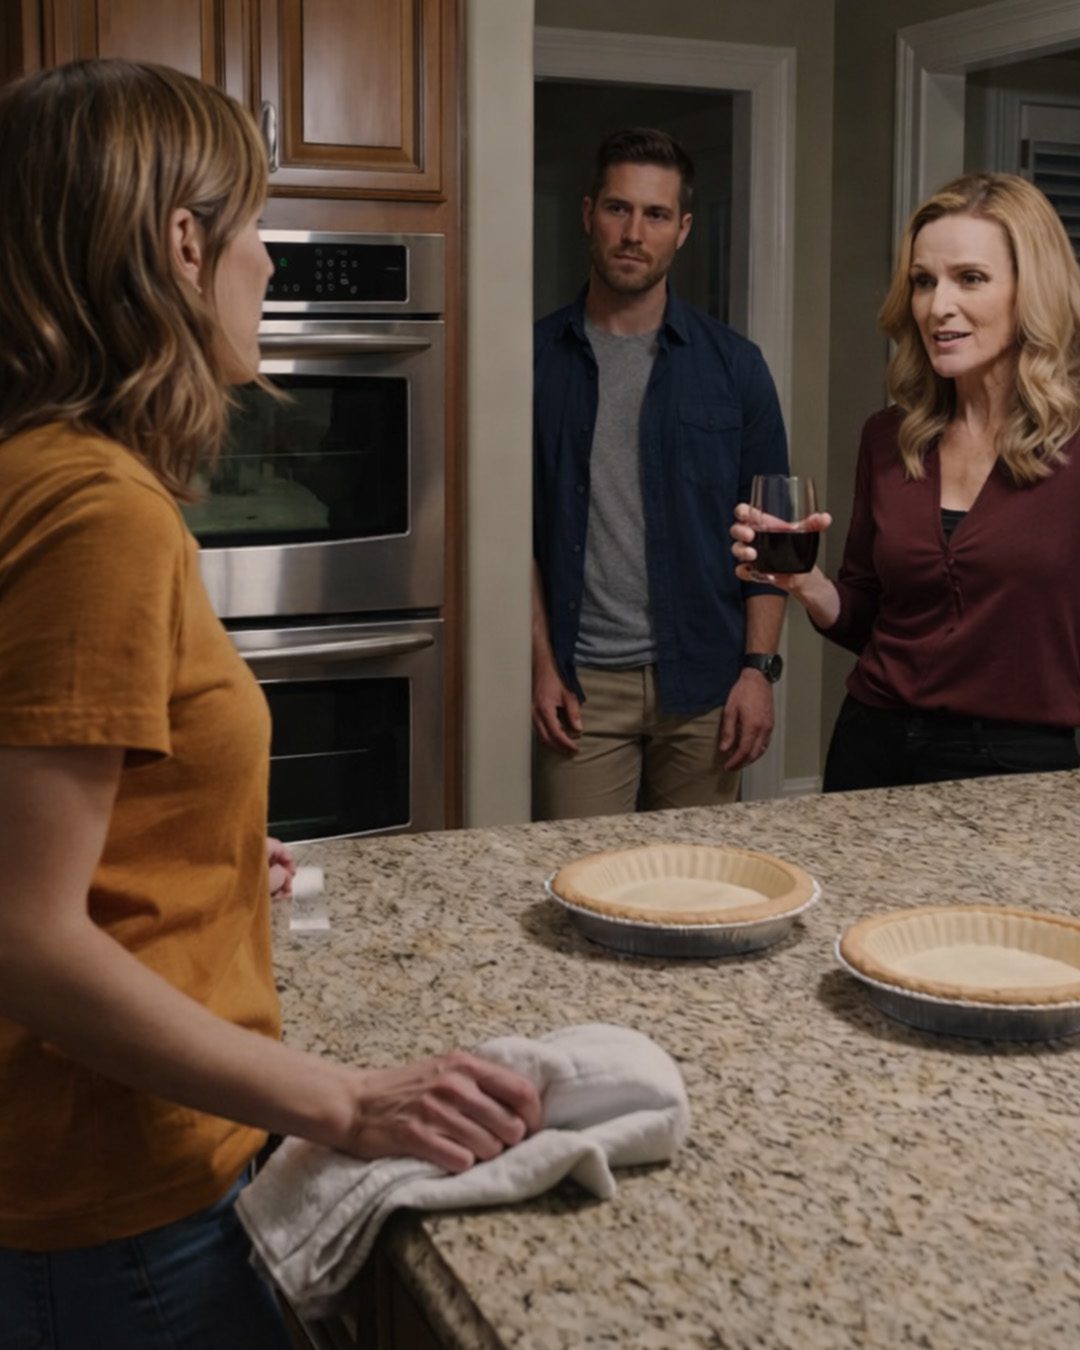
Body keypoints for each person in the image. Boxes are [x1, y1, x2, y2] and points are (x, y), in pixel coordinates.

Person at [0, 59, 539, 1349]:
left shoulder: (39, 467)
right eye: (253, 225)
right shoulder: (99, 512)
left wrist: (203, 848)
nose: (269, 261)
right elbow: (22, 934)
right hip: (126, 1201)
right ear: (182, 248)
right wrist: (345, 1102)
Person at [731, 171, 1080, 792]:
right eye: (923, 281)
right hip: (873, 745)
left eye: (970, 278)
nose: (937, 305)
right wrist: (804, 582)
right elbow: (867, 616)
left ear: (1033, 290)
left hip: (1021, 763)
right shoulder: (890, 437)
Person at [532, 127, 790, 820]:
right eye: (619, 209)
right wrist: (541, 666)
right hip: (582, 688)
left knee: (694, 874)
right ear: (589, 214)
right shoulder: (533, 361)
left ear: (683, 229)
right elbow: (513, 533)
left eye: (655, 215)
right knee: (583, 874)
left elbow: (772, 536)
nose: (633, 233)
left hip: (706, 682)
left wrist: (758, 670)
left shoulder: (736, 367)